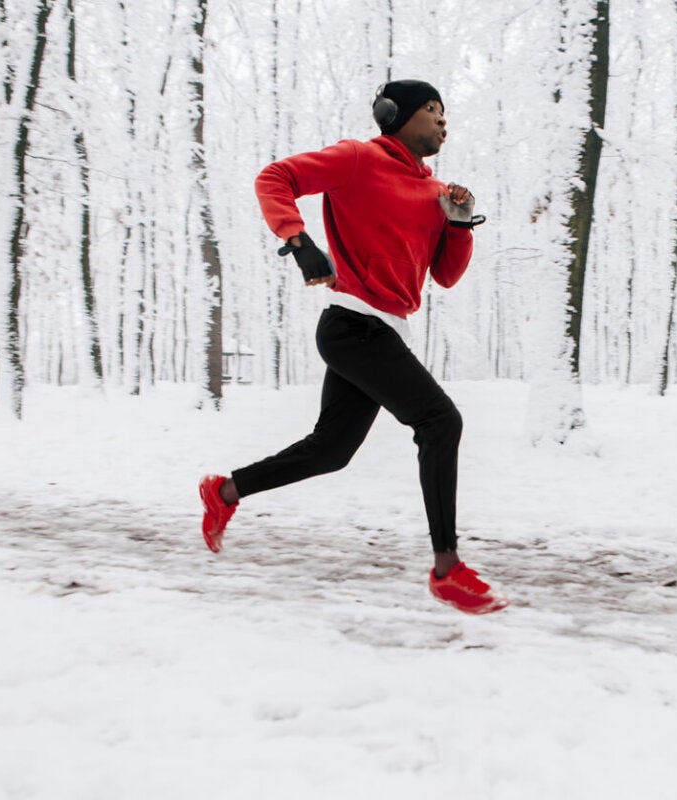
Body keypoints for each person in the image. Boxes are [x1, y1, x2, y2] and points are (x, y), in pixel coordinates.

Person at [199, 79, 507, 615]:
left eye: (444, 113)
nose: (442, 121)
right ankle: (446, 570)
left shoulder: (435, 192)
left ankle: (224, 492)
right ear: (396, 115)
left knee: (332, 450)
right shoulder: (359, 158)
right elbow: (276, 177)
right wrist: (299, 241)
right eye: (432, 111)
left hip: (382, 329)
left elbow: (446, 275)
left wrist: (458, 226)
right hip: (352, 325)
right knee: (440, 422)